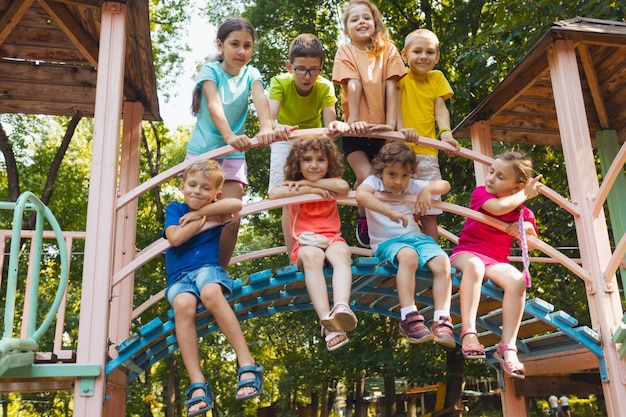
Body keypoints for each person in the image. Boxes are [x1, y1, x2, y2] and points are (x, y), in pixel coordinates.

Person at [164, 159, 263, 416]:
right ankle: (197, 384)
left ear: (216, 193)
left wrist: (199, 214)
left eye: (205, 188)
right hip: (179, 278)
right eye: (192, 185)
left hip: (208, 269)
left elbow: (237, 204)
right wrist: (208, 217)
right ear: (183, 186)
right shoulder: (175, 208)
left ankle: (247, 362)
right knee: (182, 305)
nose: (197, 191)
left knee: (210, 292)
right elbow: (175, 238)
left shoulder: (215, 208)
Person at [187, 17, 275, 269]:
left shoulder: (251, 74)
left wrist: (266, 126)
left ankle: (218, 271)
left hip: (233, 155)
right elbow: (214, 105)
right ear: (220, 44)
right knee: (198, 215)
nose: (241, 51)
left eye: (247, 46)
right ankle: (191, 267)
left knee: (232, 217)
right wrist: (229, 137)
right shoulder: (210, 71)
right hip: (204, 152)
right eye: (234, 44)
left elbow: (260, 99)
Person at [451, 151, 543, 379]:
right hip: (467, 252)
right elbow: (498, 209)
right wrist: (525, 194)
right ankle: (469, 332)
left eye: (500, 177)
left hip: (495, 261)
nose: (491, 178)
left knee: (518, 280)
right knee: (475, 267)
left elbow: (532, 246)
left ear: (516, 186)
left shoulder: (523, 212)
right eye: (492, 171)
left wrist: (528, 230)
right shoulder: (481, 194)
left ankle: (508, 347)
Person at [355, 142, 455, 347]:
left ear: (410, 174)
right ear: (381, 170)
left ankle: (442, 319)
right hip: (387, 243)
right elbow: (361, 195)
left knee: (443, 262)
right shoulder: (374, 181)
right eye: (392, 174)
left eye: (405, 175)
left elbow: (445, 185)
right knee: (408, 256)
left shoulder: (411, 184)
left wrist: (427, 190)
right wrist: (389, 212)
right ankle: (409, 316)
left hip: (417, 239)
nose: (398, 182)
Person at [268, 134, 357, 351]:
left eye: (320, 159)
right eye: (307, 160)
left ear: (329, 163)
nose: (314, 165)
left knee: (342, 252)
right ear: (298, 163)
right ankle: (327, 322)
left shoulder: (332, 184)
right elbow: (274, 194)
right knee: (312, 256)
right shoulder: (293, 187)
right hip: (306, 243)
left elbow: (343, 186)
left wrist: (309, 183)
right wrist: (310, 188)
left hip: (331, 238)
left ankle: (341, 306)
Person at [331, 0, 407, 247]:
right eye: (354, 20)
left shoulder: (388, 50)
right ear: (346, 29)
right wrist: (353, 120)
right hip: (356, 131)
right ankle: (365, 220)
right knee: (366, 176)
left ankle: (379, 225)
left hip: (382, 132)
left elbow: (392, 87)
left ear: (376, 23)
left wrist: (392, 126)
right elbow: (353, 83)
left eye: (366, 17)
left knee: (381, 180)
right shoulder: (346, 51)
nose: (361, 22)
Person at [268, 33, 339, 258]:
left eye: (313, 70)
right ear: (290, 66)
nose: (307, 76)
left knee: (329, 185)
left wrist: (336, 127)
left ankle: (328, 241)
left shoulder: (325, 86)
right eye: (301, 69)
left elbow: (330, 127)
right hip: (285, 138)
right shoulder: (280, 82)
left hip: (313, 140)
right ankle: (293, 255)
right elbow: (269, 121)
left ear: (320, 68)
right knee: (286, 195)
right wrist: (277, 127)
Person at [398, 28, 460, 242]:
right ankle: (402, 250)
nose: (424, 56)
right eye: (417, 51)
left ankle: (432, 253)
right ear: (405, 55)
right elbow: (393, 103)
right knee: (402, 209)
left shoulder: (437, 77)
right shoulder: (399, 76)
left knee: (429, 213)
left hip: (427, 152)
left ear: (437, 57)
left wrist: (446, 134)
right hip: (400, 152)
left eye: (430, 52)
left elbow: (440, 108)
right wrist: (400, 130)